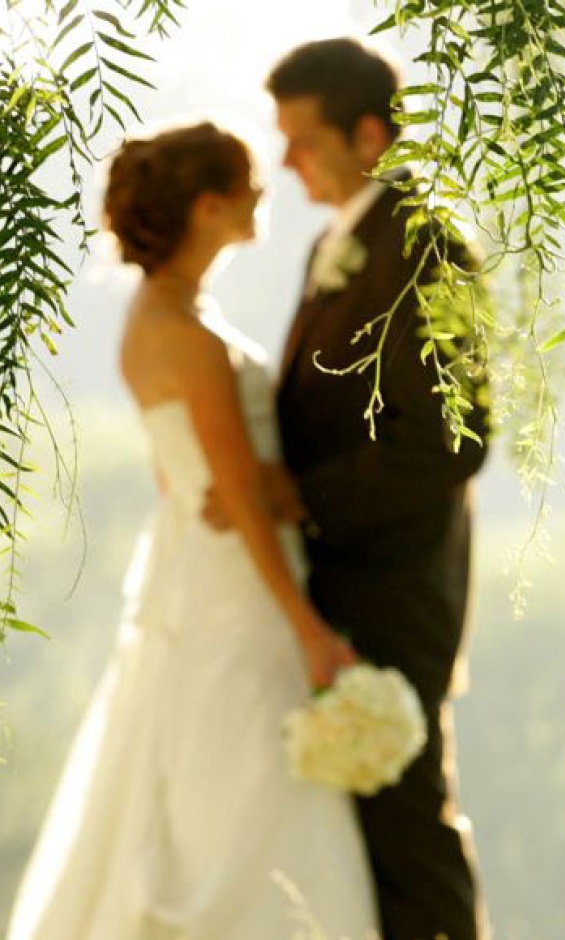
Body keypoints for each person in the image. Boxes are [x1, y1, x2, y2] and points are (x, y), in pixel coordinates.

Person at [6, 121, 378, 940]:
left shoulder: (161, 317)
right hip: (233, 584)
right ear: (209, 206)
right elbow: (237, 494)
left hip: (195, 562)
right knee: (244, 795)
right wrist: (308, 629)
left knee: (210, 785)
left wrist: (268, 488)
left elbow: (180, 472)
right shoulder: (185, 336)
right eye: (250, 183)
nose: (265, 193)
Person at [267, 38, 491, 940]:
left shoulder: (429, 249)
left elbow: (447, 440)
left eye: (302, 140)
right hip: (334, 584)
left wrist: (302, 500)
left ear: (368, 135)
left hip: (395, 588)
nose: (286, 161)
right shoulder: (336, 242)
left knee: (406, 836)